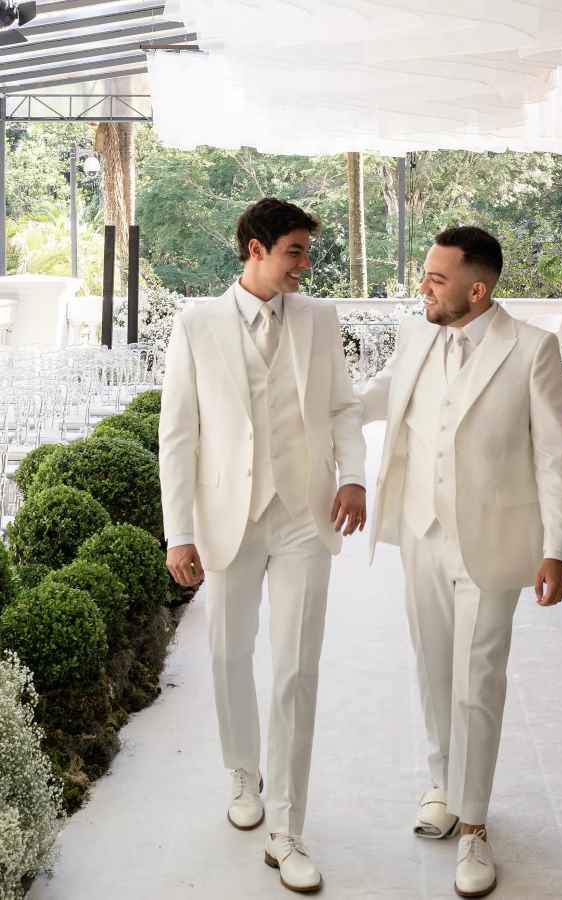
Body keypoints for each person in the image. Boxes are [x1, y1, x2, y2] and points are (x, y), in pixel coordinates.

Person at [358, 226, 562, 898]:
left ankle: (476, 826)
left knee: (477, 680)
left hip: (491, 540)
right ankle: (444, 787)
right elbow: (374, 400)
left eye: (436, 277)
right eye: (425, 273)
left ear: (476, 289)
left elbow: (554, 456)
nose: (423, 285)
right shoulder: (415, 335)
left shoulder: (532, 349)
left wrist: (555, 550)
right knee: (433, 667)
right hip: (421, 531)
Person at [159, 197, 366, 895]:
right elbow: (179, 434)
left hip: (305, 513)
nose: (306, 265)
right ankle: (243, 773)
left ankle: (287, 828)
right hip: (228, 517)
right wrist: (178, 532)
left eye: (307, 252)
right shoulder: (196, 324)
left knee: (296, 670)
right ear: (255, 249)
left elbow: (342, 406)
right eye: (295, 252)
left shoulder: (319, 320)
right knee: (227, 652)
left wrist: (356, 477)